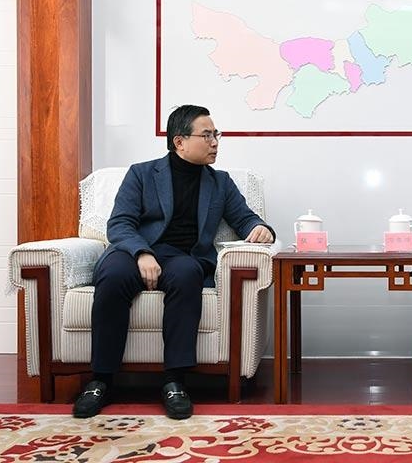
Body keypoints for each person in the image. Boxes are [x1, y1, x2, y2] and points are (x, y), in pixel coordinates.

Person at [72, 105, 275, 420]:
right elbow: (120, 224)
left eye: (216, 134)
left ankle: (175, 381)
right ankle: (100, 380)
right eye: (206, 135)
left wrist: (261, 228)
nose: (215, 142)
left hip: (183, 257)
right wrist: (142, 253)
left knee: (187, 275)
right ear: (179, 142)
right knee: (111, 276)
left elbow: (245, 218)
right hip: (135, 252)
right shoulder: (141, 174)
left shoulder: (220, 183)